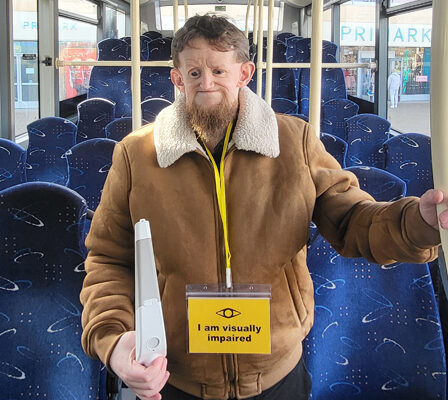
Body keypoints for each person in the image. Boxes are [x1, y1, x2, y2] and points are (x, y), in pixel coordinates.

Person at [80, 14, 448, 400]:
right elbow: (108, 259)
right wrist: (114, 339)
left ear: (245, 73)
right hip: (174, 373)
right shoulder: (137, 155)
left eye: (219, 71)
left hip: (276, 372)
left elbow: (353, 219)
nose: (206, 84)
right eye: (193, 73)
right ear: (177, 79)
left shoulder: (295, 142)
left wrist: (415, 222)